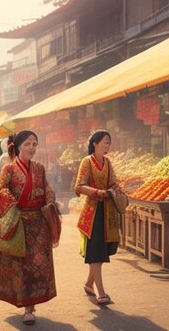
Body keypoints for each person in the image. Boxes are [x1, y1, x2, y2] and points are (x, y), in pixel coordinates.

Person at [0, 130, 57, 326]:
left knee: (38, 264)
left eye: (35, 144)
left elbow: (47, 189)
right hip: (18, 222)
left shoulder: (40, 168)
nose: (32, 148)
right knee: (20, 265)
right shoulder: (9, 169)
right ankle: (24, 304)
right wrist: (11, 204)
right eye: (28, 144)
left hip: (38, 223)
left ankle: (31, 307)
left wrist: (50, 203)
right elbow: (0, 190)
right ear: (19, 146)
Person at [74, 130, 121, 306]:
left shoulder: (108, 163)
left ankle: (88, 284)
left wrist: (116, 189)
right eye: (104, 142)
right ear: (95, 143)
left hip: (107, 211)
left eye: (109, 142)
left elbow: (113, 182)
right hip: (92, 213)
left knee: (100, 252)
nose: (107, 145)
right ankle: (101, 293)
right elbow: (79, 186)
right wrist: (97, 192)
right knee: (96, 253)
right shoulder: (87, 162)